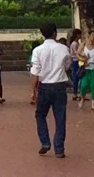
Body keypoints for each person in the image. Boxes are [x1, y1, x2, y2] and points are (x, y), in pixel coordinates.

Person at [30, 22, 71, 159]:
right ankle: (59, 148)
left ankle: (45, 142)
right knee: (60, 117)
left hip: (44, 86)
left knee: (40, 115)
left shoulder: (37, 51)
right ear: (55, 33)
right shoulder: (63, 48)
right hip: (59, 85)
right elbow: (67, 66)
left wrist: (33, 91)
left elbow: (35, 72)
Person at [77, 30, 94, 111]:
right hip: (85, 67)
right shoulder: (83, 44)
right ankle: (82, 97)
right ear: (89, 35)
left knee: (93, 85)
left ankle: (93, 104)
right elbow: (78, 54)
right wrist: (83, 59)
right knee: (84, 85)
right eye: (92, 35)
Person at [67, 28, 83, 100]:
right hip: (75, 61)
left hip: (76, 60)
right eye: (80, 34)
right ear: (77, 35)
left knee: (77, 77)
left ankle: (77, 93)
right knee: (76, 77)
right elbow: (76, 53)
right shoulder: (74, 44)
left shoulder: (76, 43)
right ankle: (75, 93)